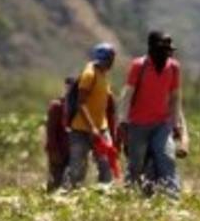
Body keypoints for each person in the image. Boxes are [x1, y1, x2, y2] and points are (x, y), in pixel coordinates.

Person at [119, 31, 187, 194]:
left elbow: (175, 97)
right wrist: (122, 121)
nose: (166, 53)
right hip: (137, 124)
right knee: (136, 164)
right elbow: (127, 94)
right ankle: (131, 193)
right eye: (162, 49)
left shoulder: (174, 68)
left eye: (168, 50)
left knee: (167, 158)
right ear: (151, 49)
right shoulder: (138, 66)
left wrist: (176, 123)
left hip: (161, 124)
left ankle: (172, 197)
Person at [66, 43, 117, 188]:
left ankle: (104, 195)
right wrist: (92, 127)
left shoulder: (103, 74)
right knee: (77, 169)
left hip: (101, 128)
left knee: (106, 164)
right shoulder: (89, 74)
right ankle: (71, 197)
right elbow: (81, 103)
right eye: (111, 58)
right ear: (106, 58)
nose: (113, 62)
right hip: (82, 129)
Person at [44, 77, 74, 191]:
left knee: (68, 182)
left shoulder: (76, 107)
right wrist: (53, 151)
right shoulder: (56, 106)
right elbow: (50, 131)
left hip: (70, 150)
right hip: (58, 150)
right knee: (55, 180)